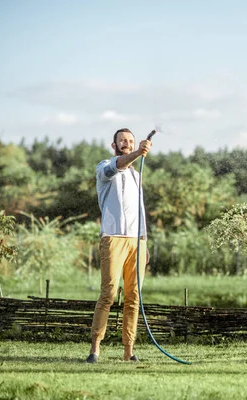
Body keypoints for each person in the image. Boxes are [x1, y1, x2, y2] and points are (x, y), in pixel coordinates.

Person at [86, 128, 152, 363]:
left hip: (136, 241)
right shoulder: (104, 168)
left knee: (134, 296)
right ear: (114, 145)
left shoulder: (137, 176)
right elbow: (117, 166)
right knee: (109, 293)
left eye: (131, 141)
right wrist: (137, 152)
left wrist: (144, 241)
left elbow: (139, 211)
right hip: (112, 238)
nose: (127, 143)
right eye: (123, 141)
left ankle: (128, 351)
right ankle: (95, 349)